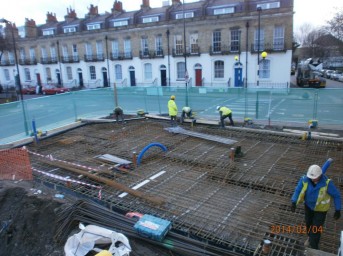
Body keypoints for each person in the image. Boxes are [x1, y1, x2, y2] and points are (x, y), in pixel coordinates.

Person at [291, 164, 341, 249]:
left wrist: (338, 209)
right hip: (308, 207)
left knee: (316, 229)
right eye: (311, 177)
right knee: (308, 224)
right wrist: (294, 201)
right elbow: (298, 189)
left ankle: (314, 247)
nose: (312, 179)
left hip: (321, 210)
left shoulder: (327, 183)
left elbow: (336, 195)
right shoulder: (305, 179)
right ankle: (310, 238)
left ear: (320, 176)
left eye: (314, 177)